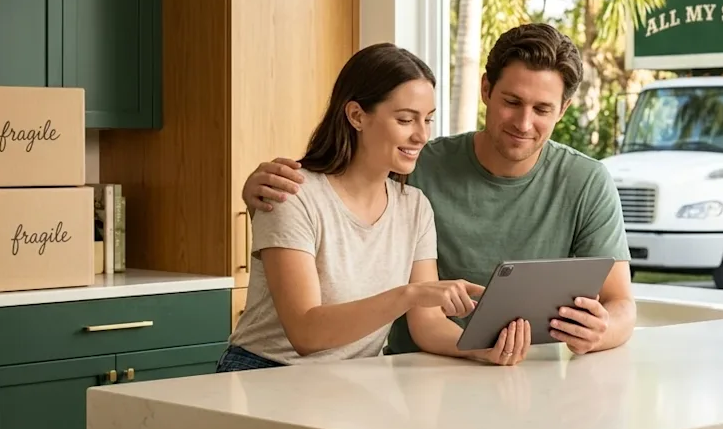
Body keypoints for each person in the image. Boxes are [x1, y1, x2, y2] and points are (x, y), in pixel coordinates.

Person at [240, 23, 635, 360]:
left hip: (396, 375)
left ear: (562, 110)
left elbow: (620, 303)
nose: (524, 122)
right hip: (304, 376)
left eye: (542, 109)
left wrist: (598, 331)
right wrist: (253, 192)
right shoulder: (415, 166)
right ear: (485, 90)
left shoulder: (413, 201)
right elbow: (332, 184)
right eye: (511, 101)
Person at [216, 42, 533, 373]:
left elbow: (426, 323)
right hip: (265, 373)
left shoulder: (414, 207)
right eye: (406, 119)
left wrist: (479, 348)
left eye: (428, 120)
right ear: (356, 116)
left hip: (353, 376)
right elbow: (306, 333)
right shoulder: (292, 194)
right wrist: (410, 294)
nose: (421, 135)